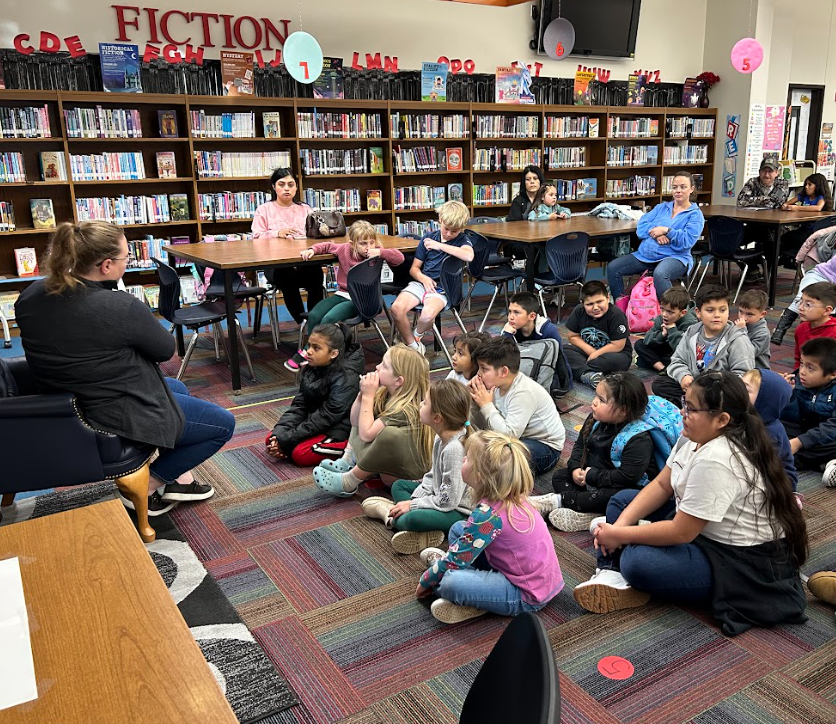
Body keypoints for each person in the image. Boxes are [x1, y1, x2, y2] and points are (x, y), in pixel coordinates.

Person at [15, 221, 235, 516]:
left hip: (62, 399)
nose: (127, 262)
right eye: (125, 257)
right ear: (106, 265)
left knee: (178, 388)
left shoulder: (32, 293)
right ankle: (146, 487)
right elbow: (164, 350)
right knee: (222, 424)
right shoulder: (118, 306)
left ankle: (178, 481)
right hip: (110, 409)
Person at [574, 372, 809, 637]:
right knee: (621, 502)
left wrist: (620, 534)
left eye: (691, 409)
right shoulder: (694, 435)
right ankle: (613, 574)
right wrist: (621, 528)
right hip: (701, 527)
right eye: (684, 403)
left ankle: (619, 569)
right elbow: (662, 485)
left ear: (722, 420)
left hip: (736, 558)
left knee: (637, 562)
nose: (681, 412)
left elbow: (681, 532)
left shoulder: (718, 458)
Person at [416, 430, 564, 624]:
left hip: (527, 595)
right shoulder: (512, 498)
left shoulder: (488, 516)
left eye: (468, 458)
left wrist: (426, 581)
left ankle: (477, 600)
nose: (463, 460)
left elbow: (457, 559)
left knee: (449, 583)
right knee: (458, 529)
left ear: (478, 476)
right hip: (534, 578)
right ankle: (475, 588)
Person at [530, 372, 663, 532]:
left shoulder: (638, 439)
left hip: (620, 487)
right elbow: (580, 446)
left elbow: (627, 477)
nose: (594, 402)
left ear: (623, 410)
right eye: (596, 396)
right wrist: (575, 469)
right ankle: (592, 514)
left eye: (601, 400)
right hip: (594, 479)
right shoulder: (595, 419)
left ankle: (557, 501)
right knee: (560, 476)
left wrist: (593, 476)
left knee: (615, 496)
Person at [362, 379, 473, 554]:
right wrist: (415, 500)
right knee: (399, 485)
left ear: (437, 418)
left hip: (458, 512)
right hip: (439, 497)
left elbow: (449, 501)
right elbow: (432, 475)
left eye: (425, 402)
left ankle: (388, 514)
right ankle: (415, 524)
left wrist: (413, 506)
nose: (420, 404)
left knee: (411, 519)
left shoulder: (454, 449)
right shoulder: (441, 437)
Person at [284, 221, 405, 371]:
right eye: (363, 243)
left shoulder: (377, 252)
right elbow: (327, 246)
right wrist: (312, 250)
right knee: (314, 315)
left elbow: (399, 258)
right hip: (342, 294)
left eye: (371, 242)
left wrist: (381, 252)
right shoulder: (344, 249)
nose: (368, 247)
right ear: (352, 244)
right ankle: (312, 351)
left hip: (361, 300)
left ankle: (310, 353)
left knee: (329, 319)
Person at [312, 345, 433, 495]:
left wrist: (368, 397)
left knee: (389, 434)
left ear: (398, 381)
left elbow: (366, 434)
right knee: (365, 416)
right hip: (386, 469)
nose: (377, 367)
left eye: (384, 366)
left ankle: (349, 481)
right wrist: (362, 395)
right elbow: (355, 421)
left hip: (405, 477)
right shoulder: (386, 392)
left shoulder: (406, 409)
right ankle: (348, 460)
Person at [266, 323, 365, 466]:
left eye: (316, 348)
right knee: (272, 438)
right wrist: (280, 435)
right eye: (309, 346)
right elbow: (299, 405)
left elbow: (327, 416)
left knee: (300, 454)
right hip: (315, 421)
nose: (308, 352)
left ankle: (350, 449)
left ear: (333, 354)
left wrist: (288, 439)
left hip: (338, 429)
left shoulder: (346, 377)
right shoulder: (313, 367)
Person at [469, 337, 565, 475]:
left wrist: (486, 405)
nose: (478, 373)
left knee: (504, 457)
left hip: (545, 446)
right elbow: (481, 426)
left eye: (484, 369)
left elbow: (509, 436)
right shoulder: (495, 385)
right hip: (516, 436)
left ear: (503, 372)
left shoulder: (523, 392)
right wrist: (474, 402)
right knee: (473, 443)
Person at [389, 200, 474, 354]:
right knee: (396, 308)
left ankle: (414, 337)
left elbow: (468, 256)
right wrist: (423, 278)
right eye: (446, 229)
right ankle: (413, 346)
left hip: (442, 289)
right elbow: (414, 269)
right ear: (440, 220)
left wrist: (439, 245)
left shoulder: (462, 240)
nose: (449, 234)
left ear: (461, 228)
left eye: (454, 231)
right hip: (422, 283)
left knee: (427, 316)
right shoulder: (428, 238)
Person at [652, 284, 755, 407]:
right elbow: (677, 360)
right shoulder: (692, 331)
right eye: (710, 310)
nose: (717, 315)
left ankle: (694, 406)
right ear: (698, 312)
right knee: (660, 384)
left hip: (718, 393)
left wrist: (715, 388)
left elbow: (744, 377)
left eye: (722, 310)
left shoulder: (737, 339)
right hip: (694, 385)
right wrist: (684, 376)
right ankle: (694, 405)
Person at [607, 171, 704, 300]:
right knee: (613, 267)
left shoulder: (695, 215)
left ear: (691, 189)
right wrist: (656, 233)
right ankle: (621, 307)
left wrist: (667, 231)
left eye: (683, 187)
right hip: (646, 255)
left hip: (675, 257)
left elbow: (687, 241)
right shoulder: (661, 207)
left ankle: (671, 309)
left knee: (660, 274)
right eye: (675, 187)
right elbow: (641, 226)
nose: (678, 191)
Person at [251, 168, 324, 325]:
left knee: (316, 273)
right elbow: (256, 238)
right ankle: (301, 321)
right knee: (286, 275)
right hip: (277, 265)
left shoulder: (305, 209)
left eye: (291, 185)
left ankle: (314, 320)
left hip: (303, 261)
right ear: (274, 187)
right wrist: (277, 233)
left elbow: (314, 234)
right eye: (281, 184)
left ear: (296, 187)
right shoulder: (264, 210)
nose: (286, 189)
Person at [779, 338, 836, 471]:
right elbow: (791, 419)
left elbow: (833, 427)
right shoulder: (798, 381)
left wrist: (799, 442)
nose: (802, 371)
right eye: (801, 364)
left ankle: (789, 459)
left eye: (810, 368)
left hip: (828, 435)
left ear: (833, 374)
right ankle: (822, 463)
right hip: (806, 430)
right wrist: (789, 394)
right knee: (771, 425)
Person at [564, 280, 632, 388]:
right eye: (589, 304)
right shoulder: (578, 311)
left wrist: (595, 355)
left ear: (608, 298)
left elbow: (618, 345)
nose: (595, 307)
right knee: (563, 350)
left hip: (614, 354)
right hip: (588, 352)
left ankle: (581, 370)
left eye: (599, 301)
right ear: (582, 303)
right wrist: (591, 352)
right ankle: (589, 375)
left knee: (614, 361)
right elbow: (573, 336)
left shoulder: (616, 315)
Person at [742, 369, 798, 492]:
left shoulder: (770, 433)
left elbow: (764, 469)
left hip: (778, 482)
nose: (739, 392)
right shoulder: (745, 417)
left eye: (746, 390)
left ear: (765, 400)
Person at [772, 254, 836, 345]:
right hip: (820, 275)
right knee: (802, 299)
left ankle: (823, 335)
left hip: (832, 284)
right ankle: (779, 331)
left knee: (830, 306)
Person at [634, 287, 697, 373]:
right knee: (639, 344)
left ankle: (654, 363)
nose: (664, 314)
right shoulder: (661, 319)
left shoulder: (690, 323)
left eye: (670, 312)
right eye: (662, 309)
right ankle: (663, 369)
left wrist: (672, 330)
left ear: (682, 313)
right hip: (664, 350)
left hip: (676, 353)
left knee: (642, 360)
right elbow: (647, 339)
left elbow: (685, 350)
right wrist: (662, 335)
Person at [779, 173, 835, 264]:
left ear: (817, 186)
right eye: (806, 184)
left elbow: (818, 208)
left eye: (810, 185)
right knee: (783, 238)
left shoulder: (821, 198)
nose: (806, 187)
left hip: (813, 232)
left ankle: (787, 260)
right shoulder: (803, 196)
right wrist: (785, 206)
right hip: (803, 228)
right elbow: (787, 203)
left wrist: (797, 208)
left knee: (785, 239)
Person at [790, 282, 836, 369]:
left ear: (827, 310)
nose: (800, 307)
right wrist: (796, 375)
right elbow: (799, 360)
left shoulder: (834, 333)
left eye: (808, 305)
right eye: (800, 302)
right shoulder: (801, 329)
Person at [735, 289, 771, 369]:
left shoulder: (763, 333)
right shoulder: (740, 325)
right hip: (742, 366)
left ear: (762, 314)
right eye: (741, 312)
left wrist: (741, 331)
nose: (743, 317)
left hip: (757, 371)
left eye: (749, 314)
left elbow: (748, 354)